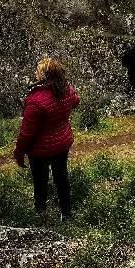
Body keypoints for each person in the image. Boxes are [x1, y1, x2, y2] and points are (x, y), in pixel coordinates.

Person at [14, 58, 80, 219]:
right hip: (62, 142)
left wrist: (19, 153)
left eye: (38, 71)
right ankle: (66, 212)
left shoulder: (35, 101)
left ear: (45, 75)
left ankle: (41, 211)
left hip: (39, 149)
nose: (36, 73)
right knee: (62, 177)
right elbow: (76, 102)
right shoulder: (67, 90)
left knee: (40, 179)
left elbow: (26, 133)